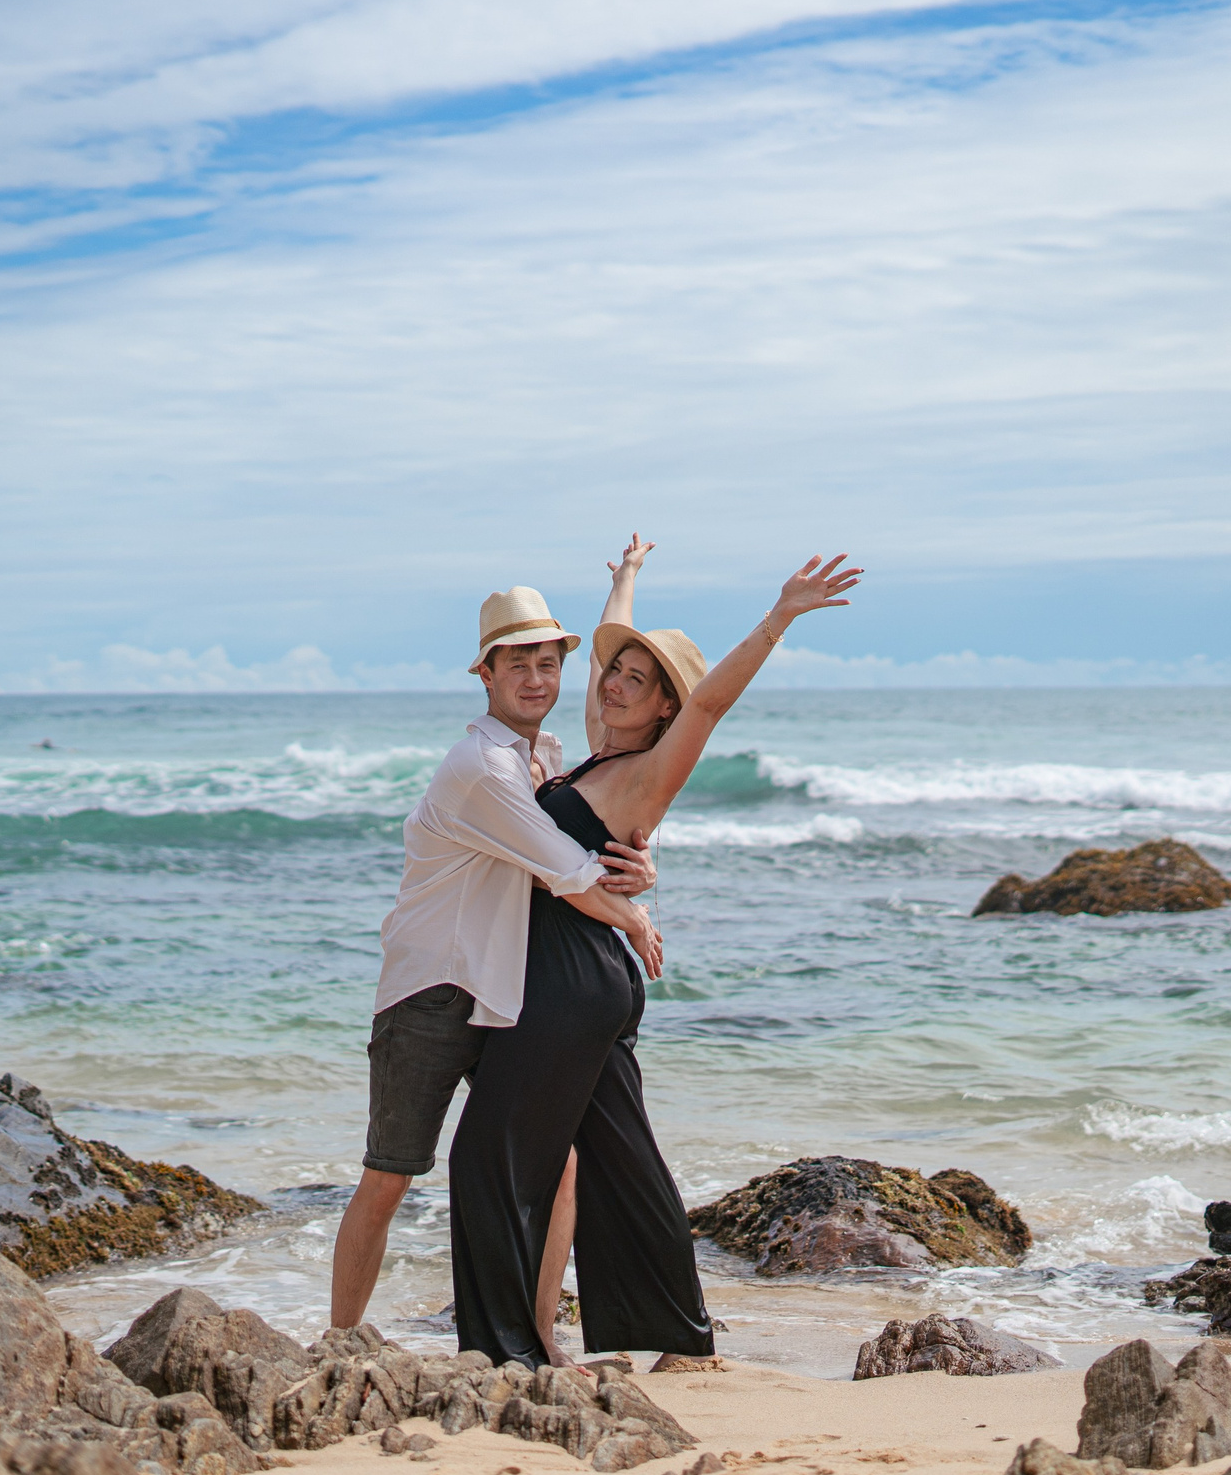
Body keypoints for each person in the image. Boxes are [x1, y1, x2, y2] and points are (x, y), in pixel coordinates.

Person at [448, 543, 863, 1368]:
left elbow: (710, 705)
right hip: (591, 971)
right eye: (614, 673)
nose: (613, 682)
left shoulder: (650, 766)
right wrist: (624, 580)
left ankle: (501, 1349)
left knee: (486, 1152)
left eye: (637, 679)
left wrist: (777, 618)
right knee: (622, 1157)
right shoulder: (603, 748)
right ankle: (677, 1336)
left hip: (570, 979)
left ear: (665, 706)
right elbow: (613, 638)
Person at [327, 585, 661, 1333]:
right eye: (519, 664)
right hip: (432, 990)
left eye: (548, 663)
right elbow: (566, 870)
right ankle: (340, 1340)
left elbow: (599, 822)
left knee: (560, 1162)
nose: (536, 678)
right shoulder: (480, 767)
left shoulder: (539, 756)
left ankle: (540, 1338)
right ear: (486, 672)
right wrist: (633, 914)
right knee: (389, 1177)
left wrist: (640, 876)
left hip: (507, 994)